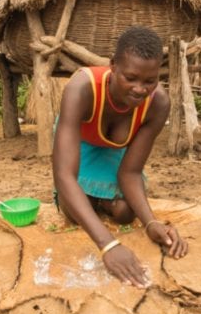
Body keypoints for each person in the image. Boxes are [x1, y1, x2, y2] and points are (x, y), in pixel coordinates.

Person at [52, 25, 188, 289]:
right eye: (131, 78)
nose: (140, 89)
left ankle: (98, 201)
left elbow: (131, 172)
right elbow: (64, 174)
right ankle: (91, 201)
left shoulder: (158, 104)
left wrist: (151, 223)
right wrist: (108, 245)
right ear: (113, 66)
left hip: (114, 151)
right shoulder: (82, 88)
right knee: (73, 210)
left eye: (149, 81)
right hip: (79, 145)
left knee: (127, 214)